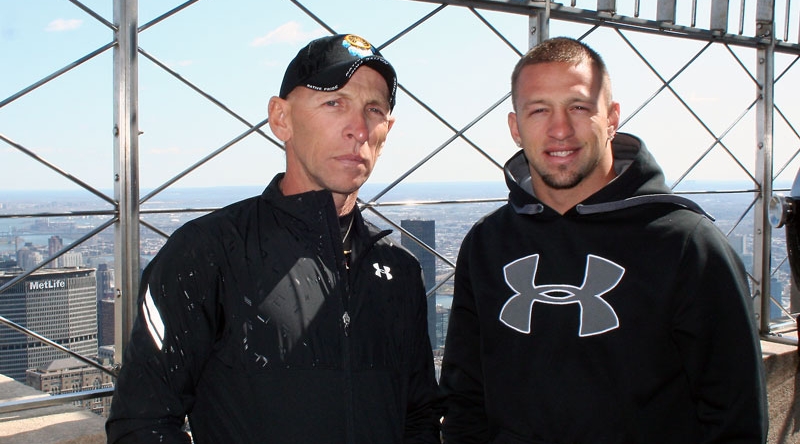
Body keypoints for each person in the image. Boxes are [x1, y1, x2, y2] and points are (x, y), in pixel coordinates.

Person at [106, 33, 441, 444]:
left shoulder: (397, 269)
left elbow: (419, 415)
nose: (358, 128)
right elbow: (142, 422)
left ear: (387, 130)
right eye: (333, 102)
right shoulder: (208, 254)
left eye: (374, 110)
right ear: (281, 118)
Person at [439, 37, 768, 443]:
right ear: (515, 128)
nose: (560, 129)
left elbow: (735, 416)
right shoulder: (487, 245)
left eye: (579, 107)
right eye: (539, 110)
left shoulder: (685, 246)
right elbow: (465, 396)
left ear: (612, 118)